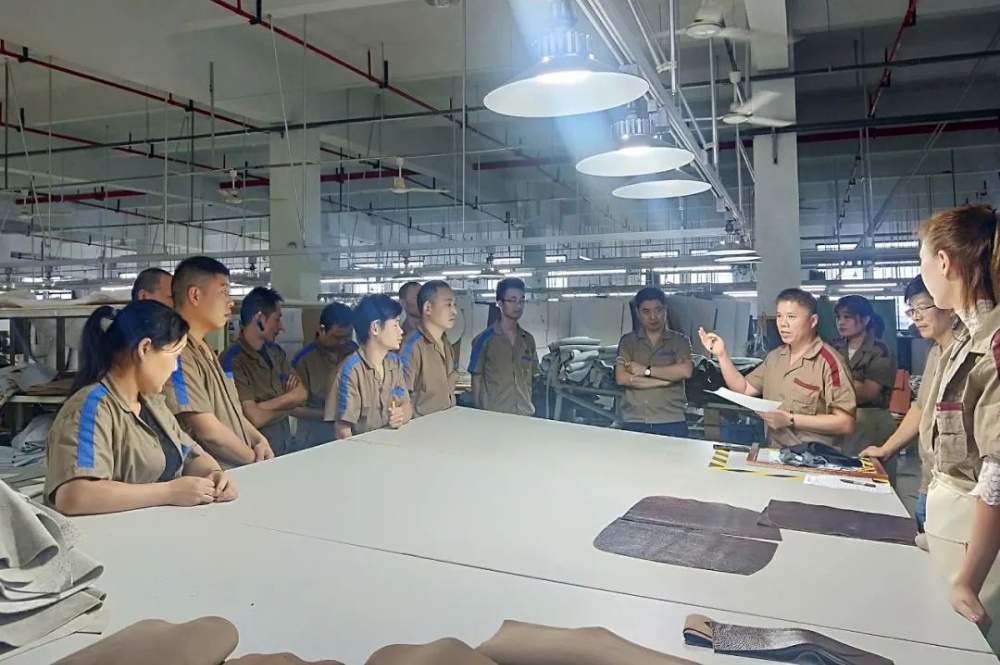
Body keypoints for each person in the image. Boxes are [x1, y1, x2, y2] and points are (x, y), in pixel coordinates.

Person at [44, 302, 237, 515]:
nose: (174, 367)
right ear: (144, 349)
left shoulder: (151, 404)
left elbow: (189, 453)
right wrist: (169, 492)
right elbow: (75, 495)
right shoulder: (90, 408)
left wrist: (214, 474)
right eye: (174, 356)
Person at [914, 203, 1000, 646]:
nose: (922, 271)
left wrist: (969, 578)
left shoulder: (993, 344)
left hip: (977, 550)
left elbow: (996, 474)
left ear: (944, 262)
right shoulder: (967, 337)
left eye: (922, 260)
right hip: (954, 535)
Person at [699, 288, 856, 448]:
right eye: (779, 316)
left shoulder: (829, 363)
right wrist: (721, 355)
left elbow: (846, 423)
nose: (783, 324)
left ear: (813, 321)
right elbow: (743, 388)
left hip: (814, 457)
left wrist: (791, 419)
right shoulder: (775, 358)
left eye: (791, 317)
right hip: (774, 451)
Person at [861, 276, 957, 534]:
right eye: (911, 310)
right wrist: (886, 449)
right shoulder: (934, 351)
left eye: (922, 307)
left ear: (948, 304)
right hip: (931, 479)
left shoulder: (970, 353)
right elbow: (920, 408)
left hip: (959, 487)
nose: (916, 317)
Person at [162, 256, 274, 467]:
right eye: (223, 292)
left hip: (238, 469)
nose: (230, 301)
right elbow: (208, 431)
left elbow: (231, 412)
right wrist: (254, 460)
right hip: (213, 477)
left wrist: (259, 440)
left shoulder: (205, 349)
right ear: (195, 295)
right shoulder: (178, 354)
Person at [221, 287, 306, 456]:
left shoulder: (276, 353)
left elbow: (302, 394)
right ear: (259, 318)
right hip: (259, 454)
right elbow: (254, 418)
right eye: (277, 319)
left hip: (286, 447)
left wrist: (264, 406)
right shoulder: (232, 361)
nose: (281, 327)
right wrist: (289, 404)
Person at [830, 295, 899, 479]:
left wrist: (834, 384)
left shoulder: (880, 351)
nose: (841, 322)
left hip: (871, 420)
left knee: (873, 477)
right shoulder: (833, 346)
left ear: (865, 319)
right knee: (841, 476)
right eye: (838, 317)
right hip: (838, 416)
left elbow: (869, 392)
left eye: (847, 317)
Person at [326, 294, 412, 439]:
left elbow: (407, 406)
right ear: (375, 328)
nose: (401, 331)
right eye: (395, 325)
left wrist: (401, 415)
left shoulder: (394, 363)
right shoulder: (351, 371)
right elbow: (343, 430)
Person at [615, 287, 694, 437]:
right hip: (635, 420)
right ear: (638, 313)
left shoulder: (680, 341)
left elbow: (685, 371)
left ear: (665, 310)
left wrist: (646, 370)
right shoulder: (628, 342)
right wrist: (664, 381)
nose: (653, 317)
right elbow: (622, 378)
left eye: (658, 310)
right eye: (646, 312)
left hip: (671, 420)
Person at [291, 302, 358, 448]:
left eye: (347, 336)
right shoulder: (304, 360)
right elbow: (293, 409)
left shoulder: (354, 352)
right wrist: (329, 414)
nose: (343, 342)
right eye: (337, 337)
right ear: (322, 330)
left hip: (350, 431)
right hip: (314, 436)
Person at [469, 277, 538, 416]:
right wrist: (479, 415)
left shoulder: (528, 340)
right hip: (495, 415)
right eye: (512, 300)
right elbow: (476, 381)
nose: (518, 306)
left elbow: (532, 375)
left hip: (524, 414)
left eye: (521, 300)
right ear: (500, 303)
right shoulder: (483, 340)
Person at [399, 280, 459, 417]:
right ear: (428, 308)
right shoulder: (412, 346)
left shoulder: (446, 343)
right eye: (448, 305)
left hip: (447, 421)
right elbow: (400, 397)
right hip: (421, 426)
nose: (454, 311)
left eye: (454, 305)